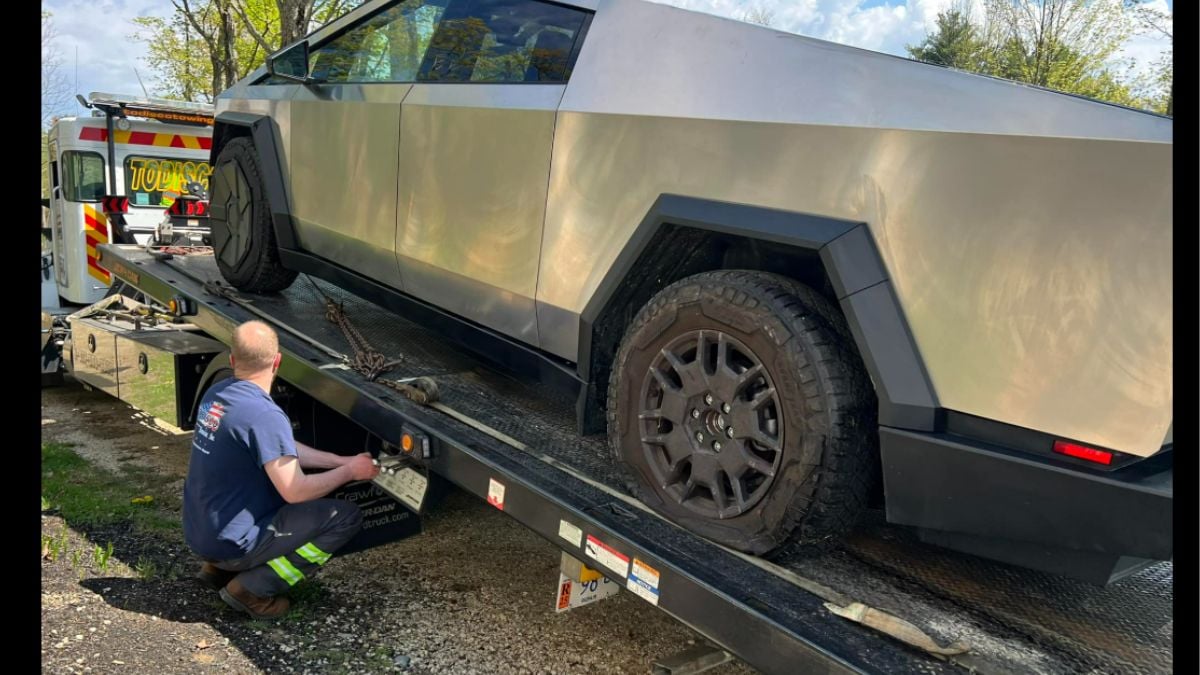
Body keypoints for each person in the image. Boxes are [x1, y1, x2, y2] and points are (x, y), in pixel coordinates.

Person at [182, 320, 380, 619]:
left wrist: (339, 460)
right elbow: (295, 491)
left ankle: (217, 570)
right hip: (231, 543)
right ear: (278, 361)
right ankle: (253, 589)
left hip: (201, 533)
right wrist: (350, 472)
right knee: (346, 518)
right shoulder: (264, 414)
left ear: (233, 360)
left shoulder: (219, 395)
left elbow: (279, 447)